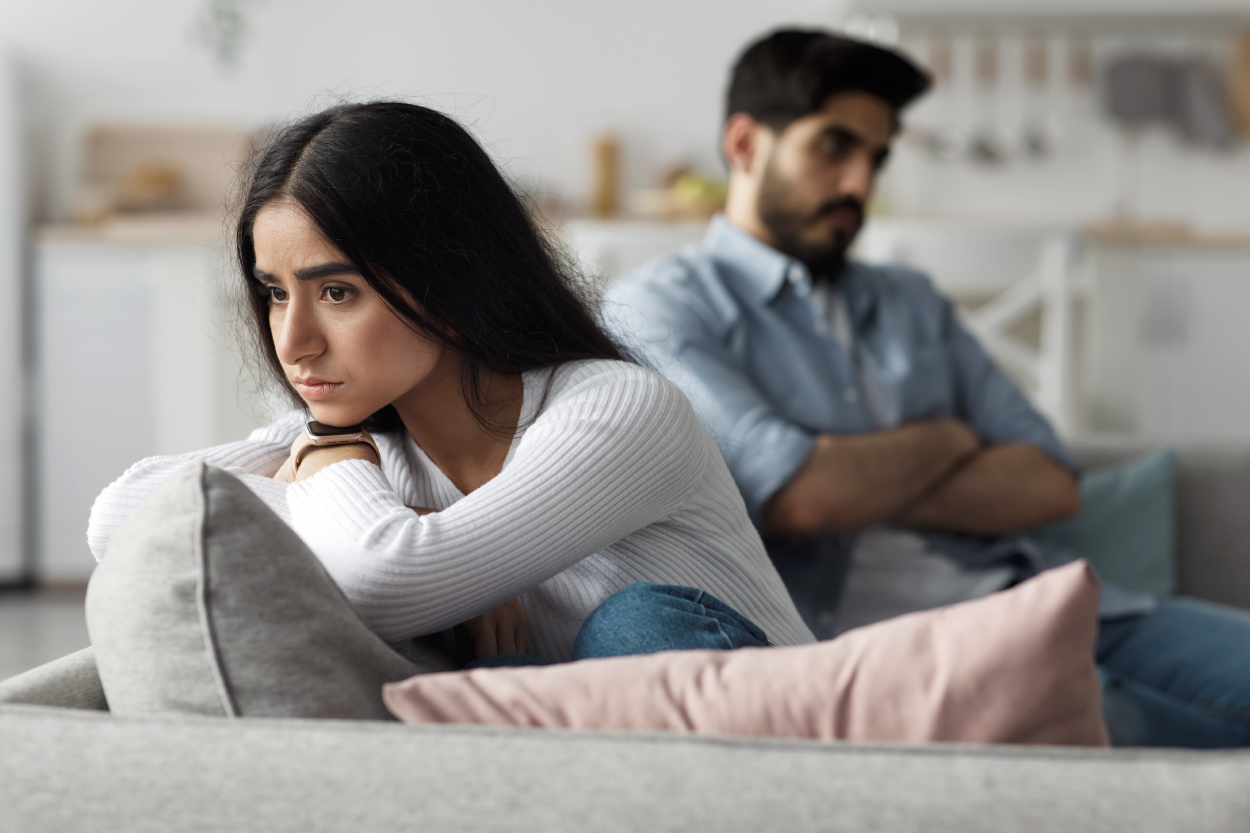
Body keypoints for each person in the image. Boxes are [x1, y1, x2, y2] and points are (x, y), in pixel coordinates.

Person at [603, 29, 1250, 747]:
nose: (859, 185)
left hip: (1045, 599)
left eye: (876, 158)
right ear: (746, 144)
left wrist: (852, 476)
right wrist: (949, 439)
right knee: (1135, 731)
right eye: (833, 147)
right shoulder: (661, 307)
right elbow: (802, 497)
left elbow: (1050, 483)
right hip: (889, 652)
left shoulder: (911, 299)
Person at [87, 101, 814, 670]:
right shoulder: (357, 437)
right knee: (486, 677)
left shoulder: (621, 407)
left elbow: (389, 580)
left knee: (632, 625)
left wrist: (347, 482)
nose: (292, 341)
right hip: (605, 767)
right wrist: (392, 508)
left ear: (449, 281)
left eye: (337, 292)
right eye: (276, 293)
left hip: (795, 756)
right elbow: (119, 518)